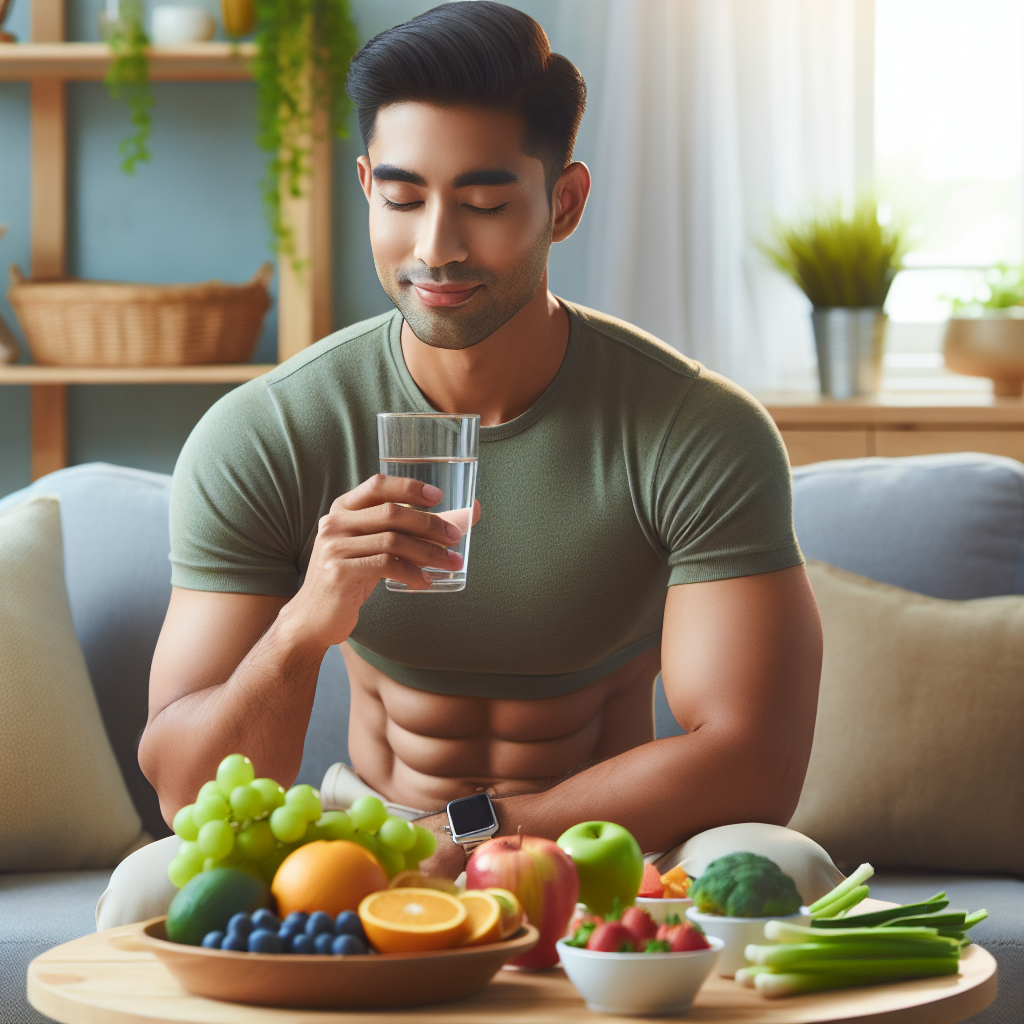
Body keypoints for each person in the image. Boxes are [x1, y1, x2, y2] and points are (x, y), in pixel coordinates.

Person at [98, 2, 839, 929]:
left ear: (563, 203)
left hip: (608, 846)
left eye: (485, 203)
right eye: (403, 199)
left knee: (786, 867)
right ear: (366, 185)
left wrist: (490, 832)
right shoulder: (271, 430)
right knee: (147, 888)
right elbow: (183, 790)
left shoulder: (692, 428)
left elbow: (755, 761)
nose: (436, 246)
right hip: (367, 839)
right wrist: (305, 623)